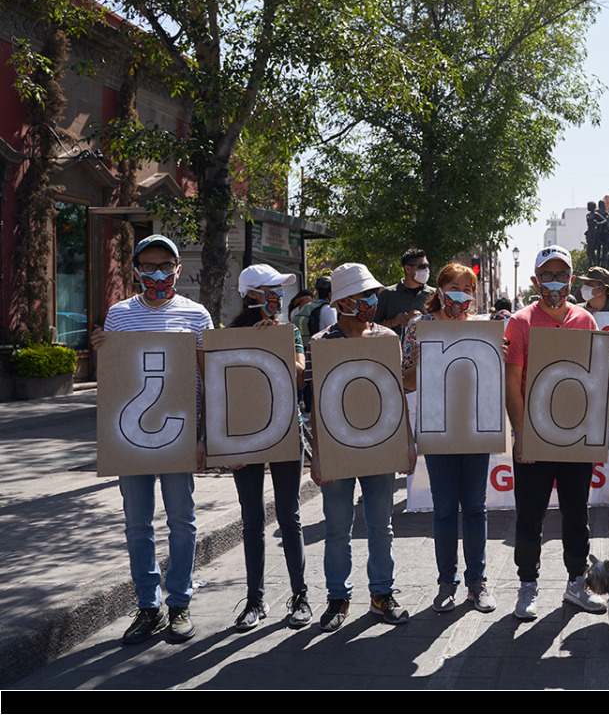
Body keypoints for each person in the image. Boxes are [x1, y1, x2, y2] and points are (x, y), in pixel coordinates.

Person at [90, 234, 213, 645]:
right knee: (136, 522)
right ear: (136, 270)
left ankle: (179, 602)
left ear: (178, 269)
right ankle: (147, 605)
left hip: (180, 434)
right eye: (148, 266)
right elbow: (115, 379)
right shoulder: (119, 315)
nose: (157, 274)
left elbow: (208, 378)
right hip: (129, 437)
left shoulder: (196, 315)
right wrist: (101, 351)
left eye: (165, 266)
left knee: (182, 520)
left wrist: (203, 436)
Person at [504, 245, 609, 620]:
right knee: (530, 516)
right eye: (547, 275)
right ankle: (527, 584)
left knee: (577, 514)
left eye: (561, 274)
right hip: (535, 436)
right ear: (535, 279)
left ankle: (576, 583)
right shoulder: (520, 322)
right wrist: (521, 435)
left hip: (575, 436)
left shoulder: (585, 320)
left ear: (571, 279)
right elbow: (512, 384)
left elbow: (592, 378)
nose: (555, 282)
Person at [308, 262, 410, 632]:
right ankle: (338, 598)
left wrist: (407, 444)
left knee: (381, 525)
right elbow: (316, 403)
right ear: (341, 301)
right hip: (336, 446)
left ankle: (382, 594)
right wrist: (317, 456)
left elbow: (397, 395)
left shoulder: (387, 337)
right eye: (362, 295)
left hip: (380, 445)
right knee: (338, 528)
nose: (371, 300)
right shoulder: (321, 343)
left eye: (372, 294)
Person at [402, 262, 496, 613]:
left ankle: (477, 582)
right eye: (455, 287)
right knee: (444, 509)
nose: (462, 295)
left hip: (476, 425)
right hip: (437, 425)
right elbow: (406, 380)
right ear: (439, 291)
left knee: (475, 507)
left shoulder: (482, 327)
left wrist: (496, 356)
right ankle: (446, 582)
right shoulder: (420, 327)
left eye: (468, 289)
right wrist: (423, 361)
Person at [226, 265, 311, 630]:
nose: (278, 295)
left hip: (285, 429)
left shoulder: (289, 331)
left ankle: (300, 596)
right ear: (251, 294)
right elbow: (221, 388)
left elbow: (300, 376)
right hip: (244, 435)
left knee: (289, 515)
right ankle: (255, 600)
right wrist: (223, 446)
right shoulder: (228, 336)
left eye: (280, 289)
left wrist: (276, 342)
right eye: (271, 289)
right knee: (252, 519)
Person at [376, 248, 436, 335]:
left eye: (427, 266)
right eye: (422, 266)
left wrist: (423, 320)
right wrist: (392, 322)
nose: (426, 270)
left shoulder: (434, 294)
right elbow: (371, 327)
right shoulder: (387, 294)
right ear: (407, 269)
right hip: (395, 343)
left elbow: (443, 326)